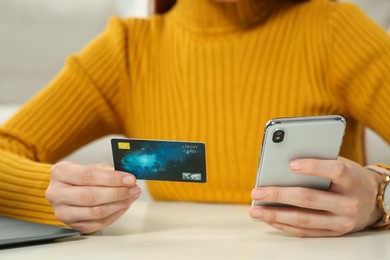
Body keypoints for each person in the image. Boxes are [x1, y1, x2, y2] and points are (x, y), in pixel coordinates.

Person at [0, 0, 389, 237]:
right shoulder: (127, 50)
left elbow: (378, 199)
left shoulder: (336, 32)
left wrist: (377, 199)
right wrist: (49, 194)